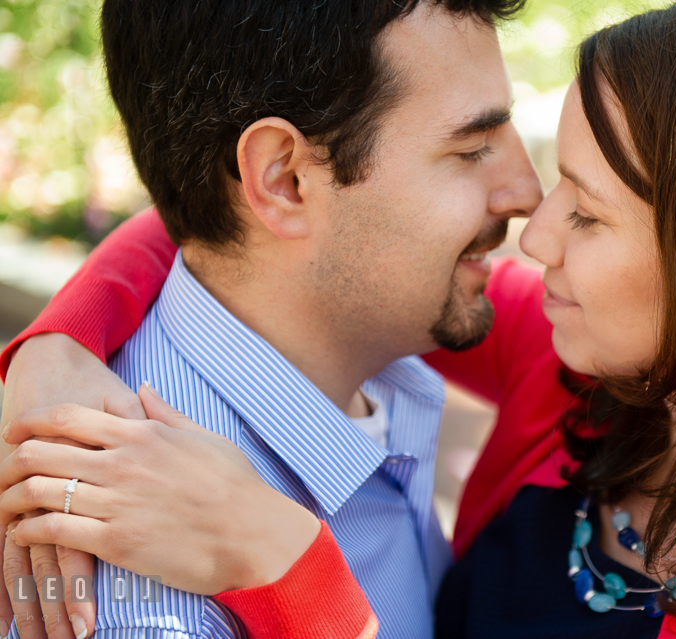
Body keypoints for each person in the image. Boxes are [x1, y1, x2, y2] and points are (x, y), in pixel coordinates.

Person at [3, 0, 676, 637]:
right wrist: (54, 355)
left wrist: (289, 569)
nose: (530, 223)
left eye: (585, 211)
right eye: (474, 150)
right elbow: (230, 223)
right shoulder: (590, 373)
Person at [0, 0, 543, 637]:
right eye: (472, 148)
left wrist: (58, 337)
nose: (529, 194)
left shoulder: (378, 343)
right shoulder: (147, 600)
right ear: (284, 179)